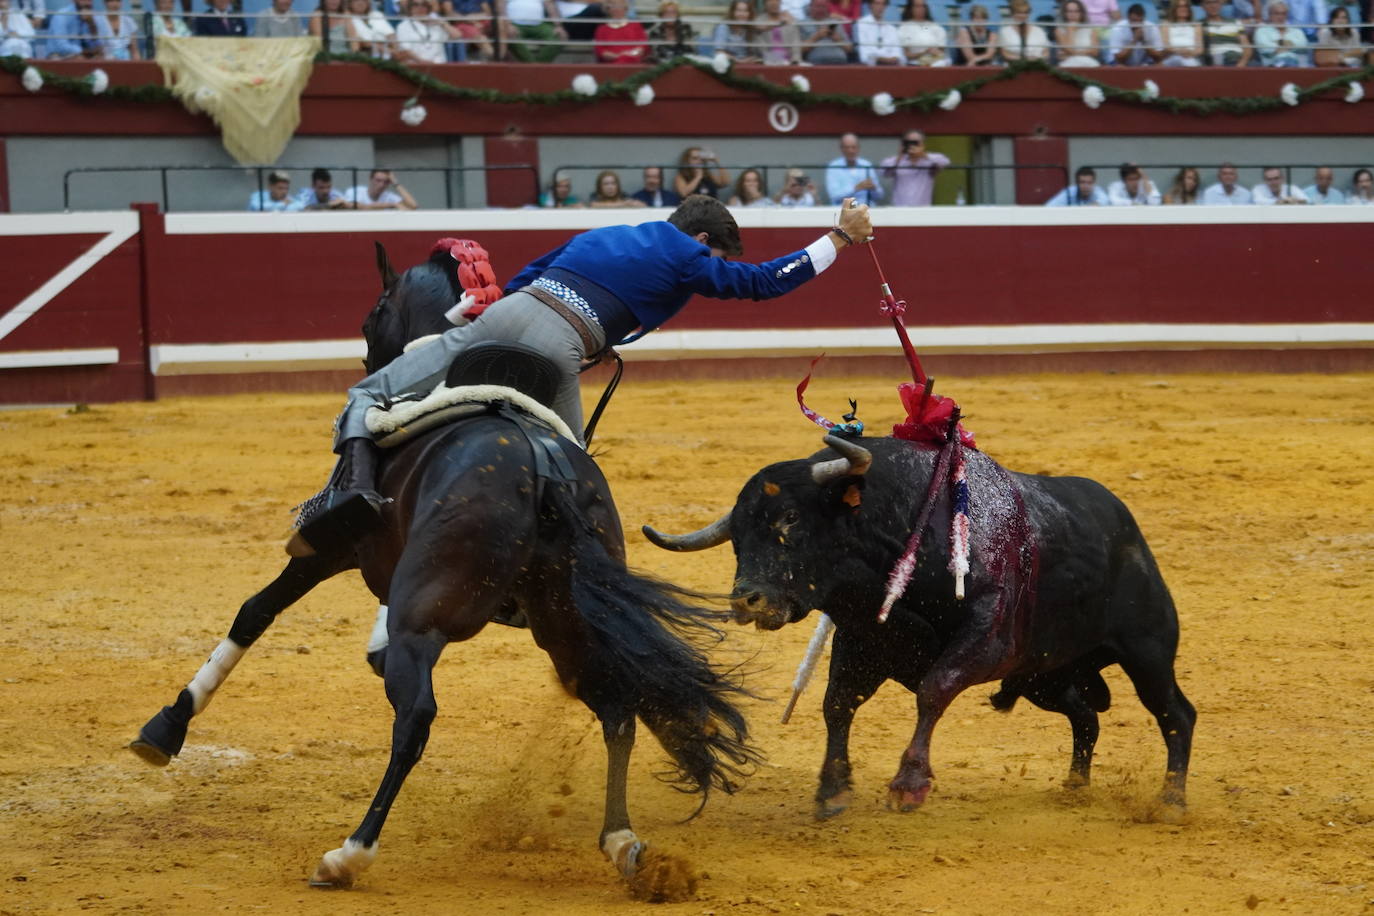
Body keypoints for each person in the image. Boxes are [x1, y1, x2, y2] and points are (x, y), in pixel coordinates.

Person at [285, 195, 875, 558]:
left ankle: (345, 497)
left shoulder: (604, 233)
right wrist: (840, 239)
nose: (711, 268)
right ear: (702, 241)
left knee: (369, 392)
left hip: (504, 316)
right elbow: (763, 282)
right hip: (562, 344)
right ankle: (567, 571)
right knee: (572, 473)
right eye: (716, 256)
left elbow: (526, 279)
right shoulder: (687, 253)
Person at [879, 130, 949, 206]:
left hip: (923, 208)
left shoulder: (929, 160)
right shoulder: (897, 161)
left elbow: (945, 162)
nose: (912, 145)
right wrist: (900, 156)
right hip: (900, 208)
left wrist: (923, 154)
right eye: (908, 142)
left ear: (922, 144)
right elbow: (882, 171)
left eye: (915, 142)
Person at [825, 132, 883, 206]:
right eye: (847, 147)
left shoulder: (866, 165)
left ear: (858, 148)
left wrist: (874, 189)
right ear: (841, 149)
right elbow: (834, 196)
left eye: (853, 147)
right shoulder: (833, 166)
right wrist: (855, 188)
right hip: (843, 211)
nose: (850, 151)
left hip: (866, 210)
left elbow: (880, 196)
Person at [498, 0, 563, 62]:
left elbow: (550, 6)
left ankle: (533, 67)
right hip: (514, 24)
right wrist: (508, 25)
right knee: (510, 35)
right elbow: (500, 8)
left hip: (539, 25)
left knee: (559, 36)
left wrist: (558, 26)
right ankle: (535, 67)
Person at [396, 0, 460, 63]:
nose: (420, 7)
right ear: (410, 8)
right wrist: (423, 62)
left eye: (424, 4)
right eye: (415, 5)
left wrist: (442, 23)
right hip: (417, 66)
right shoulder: (403, 26)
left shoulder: (437, 23)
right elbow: (406, 51)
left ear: (428, 8)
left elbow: (457, 36)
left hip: (439, 65)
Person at [1254, 1, 1309, 66]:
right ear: (1270, 15)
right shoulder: (1261, 31)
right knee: (1284, 60)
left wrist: (1278, 45)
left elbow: (1303, 45)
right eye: (1277, 13)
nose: (1280, 17)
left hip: (1297, 69)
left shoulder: (1297, 31)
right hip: (1272, 69)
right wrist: (1290, 45)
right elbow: (1265, 48)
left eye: (1283, 14)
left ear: (1287, 15)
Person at [1199, 0, 1250, 65]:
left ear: (1221, 4)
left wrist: (1241, 64)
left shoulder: (1235, 22)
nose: (1213, 6)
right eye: (1208, 3)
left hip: (1236, 60)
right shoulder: (1199, 25)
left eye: (1216, 2)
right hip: (1213, 62)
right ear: (1202, 6)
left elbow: (1247, 47)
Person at [898, 0, 948, 65]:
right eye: (917, 6)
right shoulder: (904, 28)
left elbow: (941, 50)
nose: (921, 9)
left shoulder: (936, 27)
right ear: (910, 8)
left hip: (936, 61)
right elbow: (906, 55)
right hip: (915, 64)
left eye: (923, 6)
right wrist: (925, 53)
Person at [855, 0, 903, 64]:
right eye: (877, 3)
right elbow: (864, 55)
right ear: (870, 5)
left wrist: (890, 59)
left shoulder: (892, 29)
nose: (880, 7)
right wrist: (880, 58)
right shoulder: (860, 24)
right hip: (869, 68)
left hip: (890, 66)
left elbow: (898, 54)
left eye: (883, 4)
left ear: (886, 7)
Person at [1055, 0, 1102, 66]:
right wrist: (1070, 31)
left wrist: (1073, 53)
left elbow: (1095, 52)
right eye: (1069, 11)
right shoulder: (1059, 30)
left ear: (1081, 13)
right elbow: (1068, 49)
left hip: (1089, 62)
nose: (1073, 14)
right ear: (1064, 13)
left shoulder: (1091, 30)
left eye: (1076, 11)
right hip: (1068, 63)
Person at [344, 169, 418, 210]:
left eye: (386, 182)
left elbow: (413, 206)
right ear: (371, 179)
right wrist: (392, 205)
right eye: (378, 180)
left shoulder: (389, 196)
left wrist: (395, 183)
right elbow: (360, 206)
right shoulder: (356, 191)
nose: (381, 185)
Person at [1159, 0, 1202, 65]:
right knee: (1179, 60)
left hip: (1190, 57)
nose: (1183, 9)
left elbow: (1200, 49)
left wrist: (1190, 53)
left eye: (1185, 6)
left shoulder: (1196, 25)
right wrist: (1179, 51)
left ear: (1189, 9)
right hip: (1172, 57)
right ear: (1174, 9)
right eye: (1180, 6)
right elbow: (1165, 46)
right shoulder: (1166, 24)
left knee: (1190, 62)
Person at [1045, 166, 1109, 205]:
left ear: (1094, 183)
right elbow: (1049, 206)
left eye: (1089, 183)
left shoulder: (1097, 191)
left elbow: (1105, 201)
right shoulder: (1070, 192)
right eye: (1082, 182)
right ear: (1076, 183)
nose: (1086, 186)